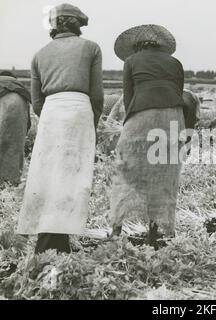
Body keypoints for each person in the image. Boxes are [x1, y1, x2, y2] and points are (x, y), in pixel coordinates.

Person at [17, 3, 104, 253]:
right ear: (76, 24)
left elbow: (37, 102)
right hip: (79, 110)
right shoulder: (91, 48)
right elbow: (97, 95)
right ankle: (59, 240)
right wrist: (93, 122)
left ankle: (49, 240)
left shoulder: (39, 54)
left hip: (51, 113)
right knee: (73, 177)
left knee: (46, 175)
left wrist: (49, 118)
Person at [110, 24, 187, 248]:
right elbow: (179, 94)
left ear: (137, 47)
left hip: (142, 116)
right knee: (165, 173)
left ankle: (116, 230)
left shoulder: (131, 62)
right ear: (160, 46)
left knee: (127, 169)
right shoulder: (175, 63)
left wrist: (128, 126)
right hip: (173, 116)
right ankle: (158, 233)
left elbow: (128, 97)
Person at [0, 71, 31, 185]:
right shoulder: (20, 90)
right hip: (17, 104)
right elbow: (27, 122)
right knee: (13, 149)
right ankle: (9, 184)